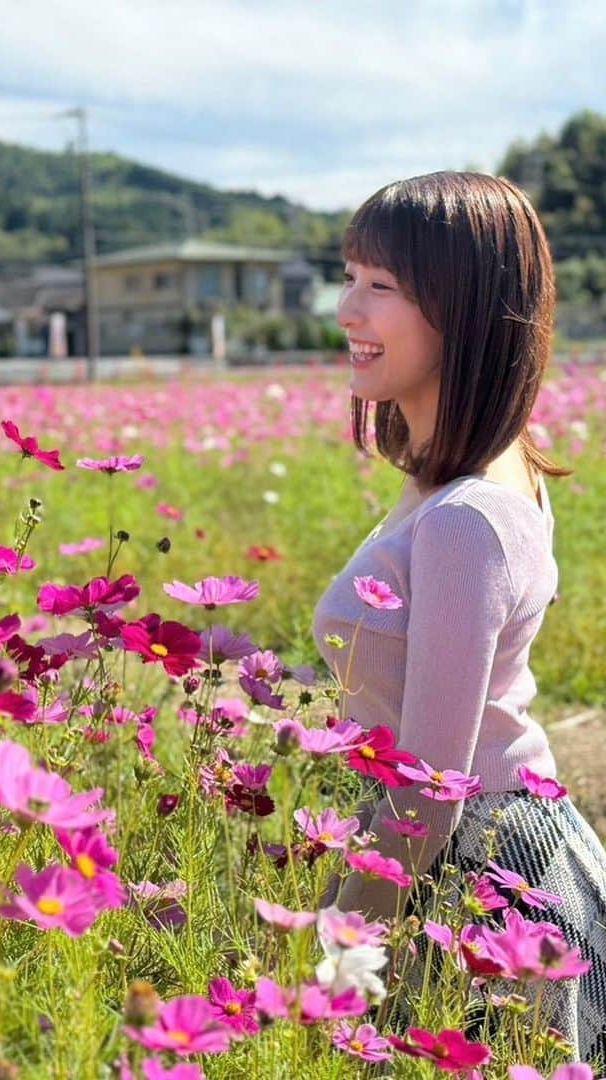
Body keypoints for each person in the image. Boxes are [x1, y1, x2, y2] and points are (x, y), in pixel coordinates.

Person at [311, 171, 606, 1061]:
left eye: (382, 287)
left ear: (465, 309)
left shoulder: (464, 518)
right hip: (478, 858)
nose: (346, 310)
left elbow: (428, 793)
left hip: (475, 878)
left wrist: (332, 965)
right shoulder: (466, 475)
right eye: (350, 276)